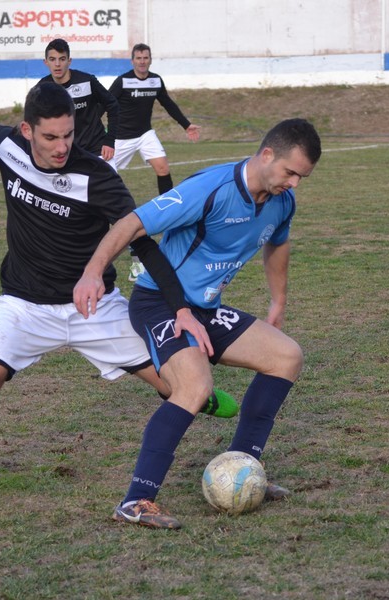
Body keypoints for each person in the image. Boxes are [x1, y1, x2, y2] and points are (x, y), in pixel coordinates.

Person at [0, 78, 238, 526]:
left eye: (68, 134)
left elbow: (143, 243)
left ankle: (196, 397)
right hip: (24, 305)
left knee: (176, 384)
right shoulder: (9, 149)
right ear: (27, 130)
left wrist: (181, 307)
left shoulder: (97, 177)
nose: (61, 146)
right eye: (50, 137)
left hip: (94, 308)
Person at [73, 118, 322, 530]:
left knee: (286, 357)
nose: (294, 183)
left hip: (205, 309)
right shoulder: (210, 188)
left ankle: (243, 468)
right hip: (159, 303)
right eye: (290, 172)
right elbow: (133, 222)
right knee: (195, 386)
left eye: (302, 177)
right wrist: (92, 272)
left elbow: (278, 243)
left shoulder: (282, 202)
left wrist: (278, 300)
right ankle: (136, 500)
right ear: (266, 155)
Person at [108, 42, 201, 283]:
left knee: (163, 168)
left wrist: (186, 125)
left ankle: (169, 213)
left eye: (145, 57)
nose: (142, 61)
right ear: (132, 61)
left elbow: (168, 103)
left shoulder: (155, 81)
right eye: (138, 58)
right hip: (121, 138)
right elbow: (105, 103)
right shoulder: (122, 81)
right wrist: (95, 131)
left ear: (150, 59)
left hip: (145, 134)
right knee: (106, 175)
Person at [36, 38, 119, 161]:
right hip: (65, 154)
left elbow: (112, 105)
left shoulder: (86, 81)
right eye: (52, 59)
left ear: (69, 61)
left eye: (62, 59)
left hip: (98, 150)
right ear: (46, 62)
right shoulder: (42, 89)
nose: (57, 64)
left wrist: (109, 141)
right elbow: (36, 121)